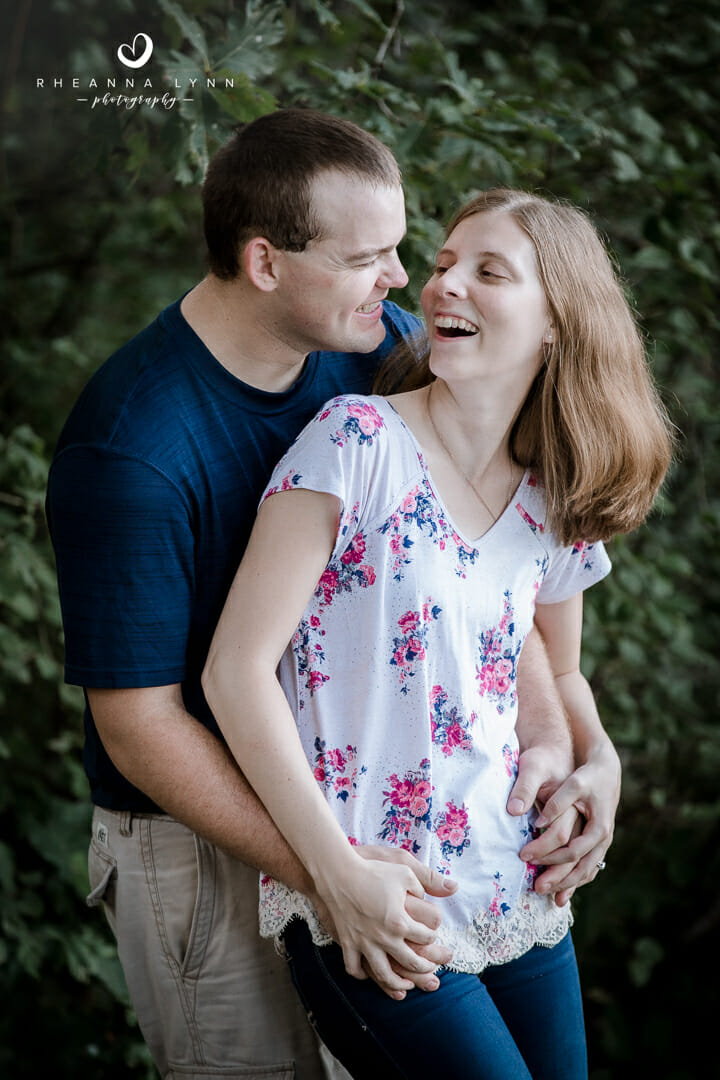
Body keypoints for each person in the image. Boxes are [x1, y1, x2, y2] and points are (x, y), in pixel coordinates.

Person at [46, 109, 620, 1080]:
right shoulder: (133, 448)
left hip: (375, 822)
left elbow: (475, 578)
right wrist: (324, 870)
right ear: (266, 263)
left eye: (400, 249)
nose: (404, 280)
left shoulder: (379, 343)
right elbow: (140, 726)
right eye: (367, 258)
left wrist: (575, 746)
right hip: (201, 830)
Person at [202, 186, 674, 1079]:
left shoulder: (554, 493)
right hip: (377, 895)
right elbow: (236, 670)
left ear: (556, 324)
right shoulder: (356, 444)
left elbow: (560, 675)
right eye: (447, 263)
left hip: (520, 887)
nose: (444, 284)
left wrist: (601, 761)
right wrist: (331, 872)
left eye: (490, 272)